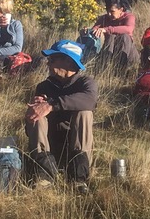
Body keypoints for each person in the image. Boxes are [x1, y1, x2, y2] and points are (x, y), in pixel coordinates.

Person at [25, 40, 98, 189]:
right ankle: (44, 175)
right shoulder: (44, 86)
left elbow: (89, 100)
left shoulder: (86, 83)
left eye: (52, 59)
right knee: (38, 114)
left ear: (69, 62)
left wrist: (51, 105)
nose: (48, 63)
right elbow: (30, 128)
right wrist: (36, 108)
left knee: (84, 113)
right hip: (50, 145)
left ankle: (78, 178)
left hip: (76, 146)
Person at [84, 0, 138, 72]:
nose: (109, 14)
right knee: (111, 37)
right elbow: (95, 29)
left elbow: (128, 29)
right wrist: (87, 31)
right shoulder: (104, 18)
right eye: (107, 11)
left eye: (112, 11)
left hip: (127, 52)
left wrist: (106, 29)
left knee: (124, 36)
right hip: (109, 50)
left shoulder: (129, 17)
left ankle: (122, 68)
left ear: (121, 10)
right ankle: (105, 67)